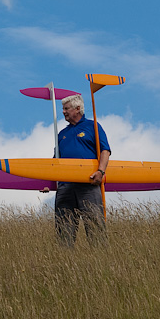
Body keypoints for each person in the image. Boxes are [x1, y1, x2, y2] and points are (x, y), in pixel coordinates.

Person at [55, 94, 110, 247]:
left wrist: (101, 172)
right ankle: (65, 263)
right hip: (65, 187)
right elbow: (54, 162)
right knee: (63, 231)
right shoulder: (61, 134)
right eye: (63, 109)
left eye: (66, 109)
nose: (64, 112)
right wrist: (49, 183)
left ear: (77, 109)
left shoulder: (93, 127)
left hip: (88, 183)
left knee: (95, 227)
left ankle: (100, 261)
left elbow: (105, 151)